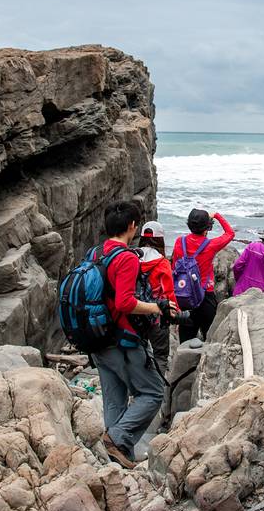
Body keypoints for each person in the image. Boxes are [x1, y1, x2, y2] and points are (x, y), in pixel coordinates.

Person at [94, 200, 176, 469]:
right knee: (152, 392)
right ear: (131, 226)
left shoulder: (96, 254)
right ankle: (116, 439)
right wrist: (158, 307)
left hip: (98, 337)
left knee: (114, 398)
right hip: (123, 338)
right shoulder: (127, 258)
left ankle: (119, 457)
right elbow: (125, 302)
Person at [172, 208, 234, 340]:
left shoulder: (179, 242)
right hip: (205, 295)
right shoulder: (211, 245)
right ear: (207, 228)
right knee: (210, 336)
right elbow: (230, 233)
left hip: (184, 295)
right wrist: (216, 215)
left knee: (186, 339)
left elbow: (174, 268)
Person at [137, 220, 178, 375]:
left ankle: (137, 385)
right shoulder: (161, 262)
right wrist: (174, 313)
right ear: (161, 239)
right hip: (156, 316)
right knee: (160, 354)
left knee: (138, 352)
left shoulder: (132, 257)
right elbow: (169, 293)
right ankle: (158, 388)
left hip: (134, 312)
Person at [232, 225, 264, 295]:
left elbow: (237, 266)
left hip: (242, 289)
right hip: (261, 294)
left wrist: (239, 280)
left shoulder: (252, 246)